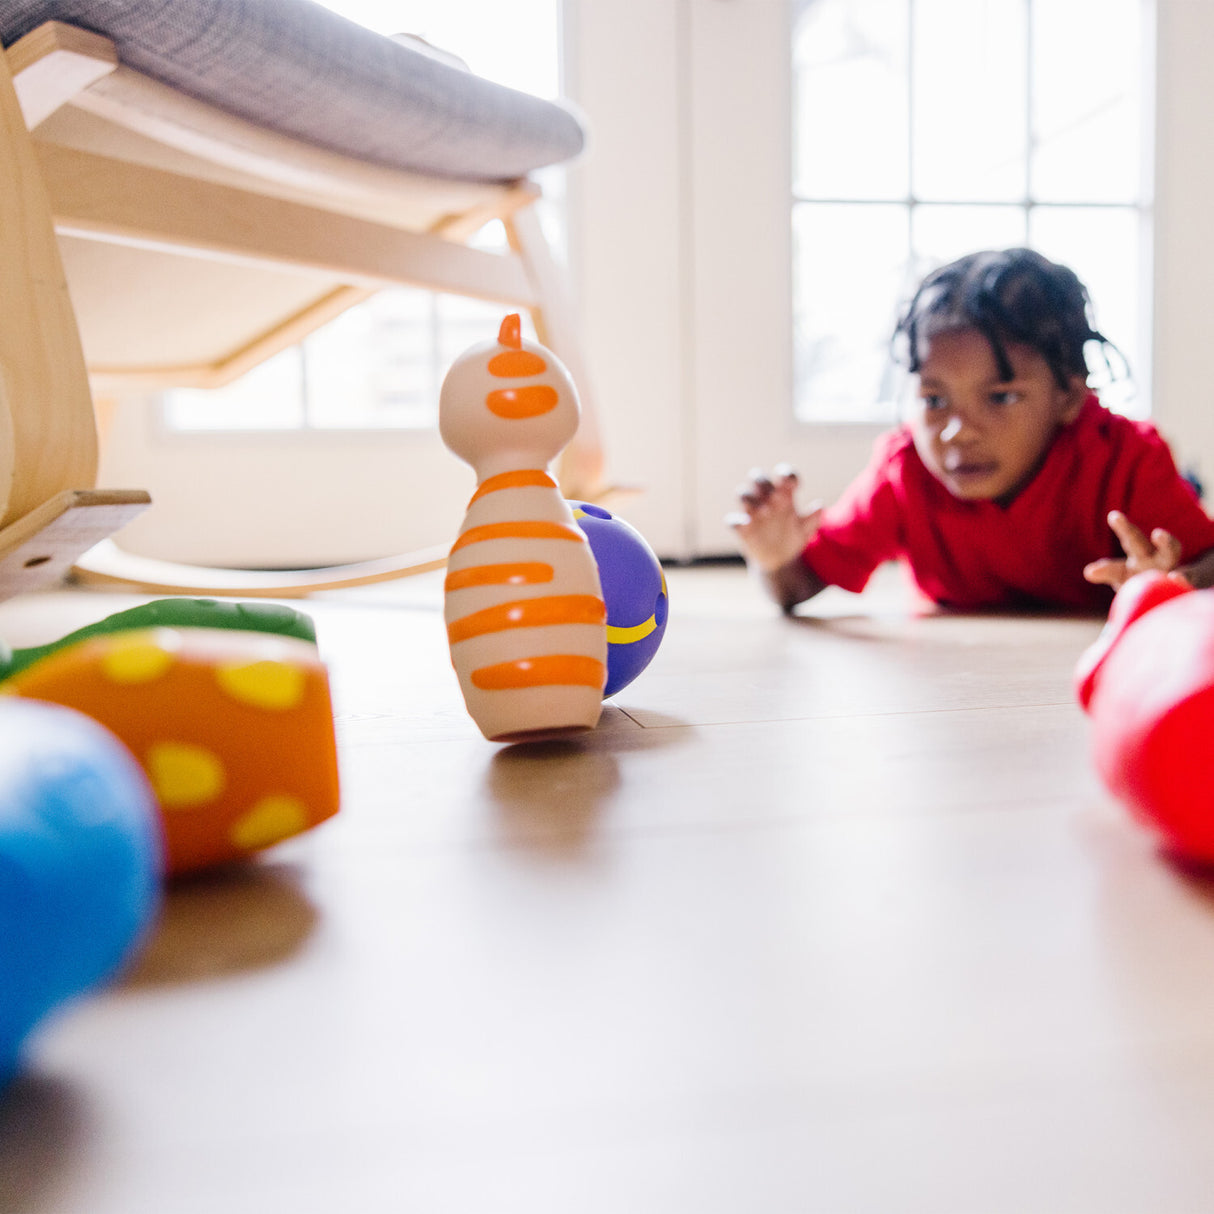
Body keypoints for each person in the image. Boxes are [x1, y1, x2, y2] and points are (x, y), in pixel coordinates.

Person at [729, 247, 1214, 613]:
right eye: (934, 400)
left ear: (1068, 396)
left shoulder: (1125, 458)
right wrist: (775, 559)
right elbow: (797, 587)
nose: (957, 432)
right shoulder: (904, 474)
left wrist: (1174, 585)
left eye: (1001, 396)